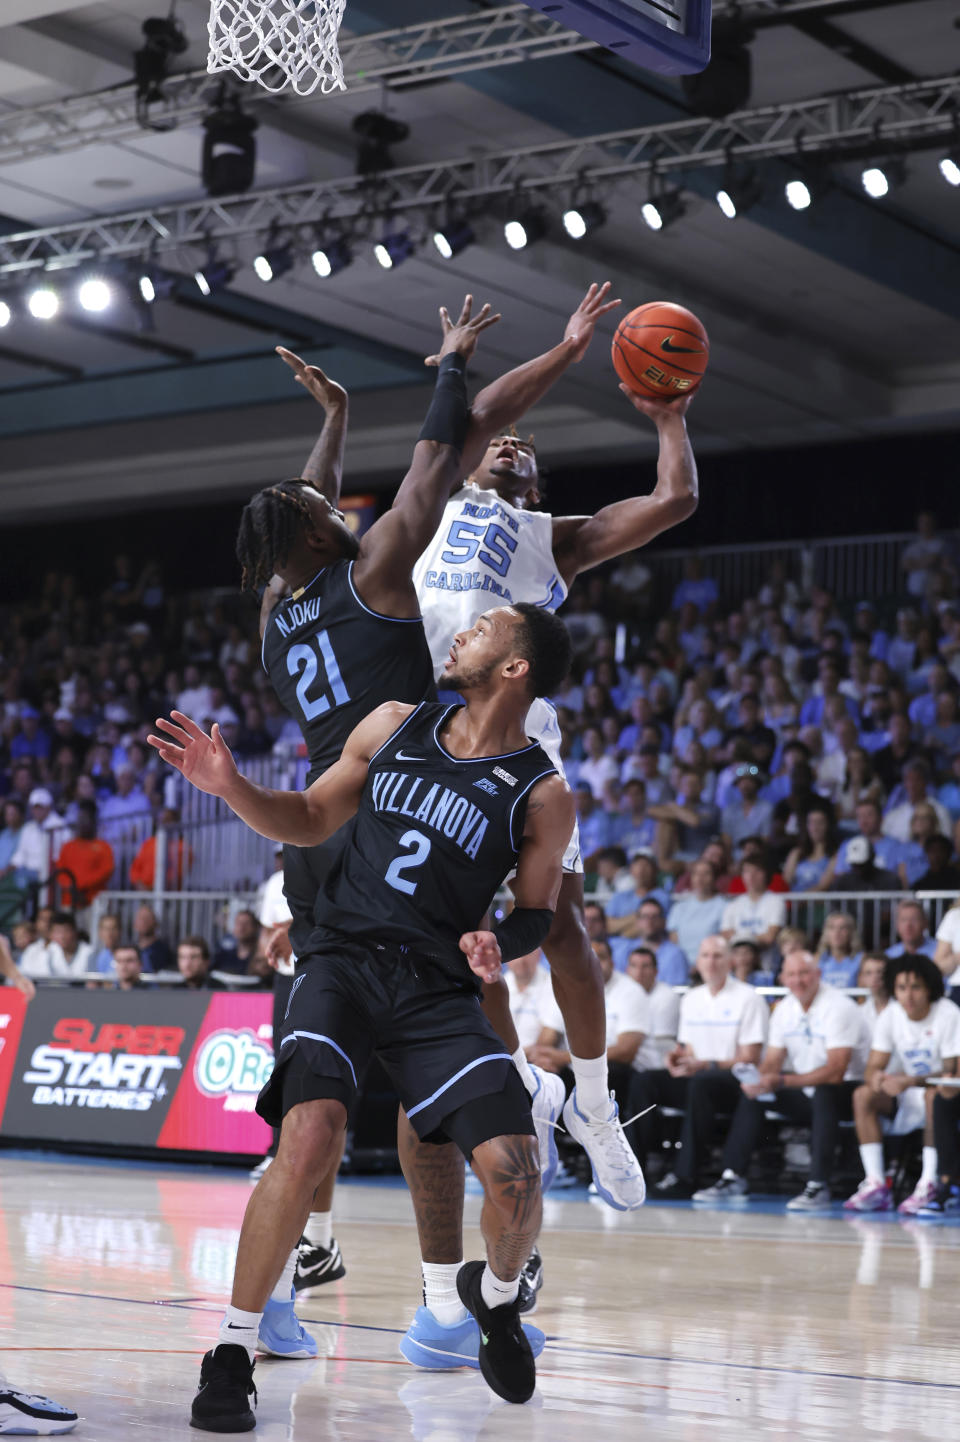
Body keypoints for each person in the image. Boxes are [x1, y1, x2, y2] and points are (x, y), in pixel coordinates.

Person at [243, 292, 606, 1345]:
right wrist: (449, 362)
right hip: (382, 815)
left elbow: (296, 517)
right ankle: (453, 1293)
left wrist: (335, 422)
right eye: (330, 505)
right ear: (325, 531)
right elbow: (446, 448)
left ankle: (282, 1287)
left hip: (313, 830)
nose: (342, 505)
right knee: (431, 1063)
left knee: (316, 1092)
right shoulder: (376, 573)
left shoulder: (277, 615)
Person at [149, 601, 578, 1423]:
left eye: (483, 630)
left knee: (519, 1172)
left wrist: (500, 937)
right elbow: (309, 818)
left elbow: (536, 910)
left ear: (516, 667)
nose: (461, 634)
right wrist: (230, 785)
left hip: (437, 989)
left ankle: (491, 1300)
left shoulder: (543, 792)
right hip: (342, 963)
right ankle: (233, 1350)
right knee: (309, 1133)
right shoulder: (392, 724)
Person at [408, 321, 698, 1212]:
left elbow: (674, 500)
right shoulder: (435, 505)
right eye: (496, 445)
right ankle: (523, 1090)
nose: (506, 444)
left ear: (540, 487)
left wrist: (671, 417)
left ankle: (598, 1104)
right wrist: (565, 353)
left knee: (562, 931)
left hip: (523, 743)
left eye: (523, 451)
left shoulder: (552, 539)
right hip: (436, 745)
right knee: (472, 954)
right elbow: (478, 411)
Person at [694, 951, 870, 1210]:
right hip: (805, 1089)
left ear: (818, 975)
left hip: (848, 1092)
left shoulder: (839, 1007)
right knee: (755, 1096)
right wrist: (759, 1080)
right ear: (782, 978)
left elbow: (836, 1071)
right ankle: (732, 1177)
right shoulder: (784, 1009)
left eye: (804, 973)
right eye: (791, 974)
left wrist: (782, 1081)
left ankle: (818, 1185)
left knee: (824, 1091)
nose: (798, 980)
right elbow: (773, 1061)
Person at [629, 935, 768, 1199]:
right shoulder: (692, 998)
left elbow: (750, 1057)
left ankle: (685, 1175)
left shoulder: (749, 998)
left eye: (717, 956)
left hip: (734, 1084)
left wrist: (706, 1064)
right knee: (645, 1080)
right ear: (698, 962)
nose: (711, 962)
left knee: (701, 1083)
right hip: (699, 1079)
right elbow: (689, 1050)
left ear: (730, 961)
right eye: (705, 956)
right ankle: (634, 1170)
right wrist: (678, 1058)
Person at [844, 956, 960, 1215]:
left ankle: (930, 1183)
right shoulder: (892, 1014)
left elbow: (952, 1072)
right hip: (905, 1092)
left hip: (944, 1094)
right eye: (901, 988)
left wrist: (911, 1081)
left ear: (929, 987)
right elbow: (874, 1065)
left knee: (934, 1095)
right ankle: (875, 1183)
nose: (908, 995)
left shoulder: (948, 1013)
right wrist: (877, 1078)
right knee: (863, 1095)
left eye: (915, 987)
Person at [534, 939, 648, 1115]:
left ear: (612, 962)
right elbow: (546, 1039)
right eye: (587, 957)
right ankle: (541, 1137)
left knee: (611, 1073)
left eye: (600, 957)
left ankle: (603, 1133)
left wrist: (564, 1057)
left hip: (614, 1069)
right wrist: (546, 1058)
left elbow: (626, 1051)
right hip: (574, 1068)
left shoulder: (631, 991)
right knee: (540, 1073)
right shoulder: (564, 987)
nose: (593, 962)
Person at [624, 947, 680, 1071]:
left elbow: (661, 1044)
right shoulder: (619, 996)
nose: (639, 972)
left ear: (655, 971)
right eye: (634, 966)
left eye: (645, 966)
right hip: (628, 1061)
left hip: (656, 1066)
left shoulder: (668, 997)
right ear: (627, 970)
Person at [719, 857, 785, 962]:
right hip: (736, 963)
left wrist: (739, 937)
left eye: (757, 870)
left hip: (767, 964)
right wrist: (755, 938)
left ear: (766, 873)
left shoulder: (776, 902)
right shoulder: (733, 904)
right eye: (747, 871)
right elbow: (725, 935)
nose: (751, 876)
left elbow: (770, 937)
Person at [52, 800, 114, 909]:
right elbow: (60, 871)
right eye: (80, 819)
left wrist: (81, 886)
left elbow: (106, 871)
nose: (82, 823)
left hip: (94, 900)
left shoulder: (103, 846)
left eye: (86, 819)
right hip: (69, 899)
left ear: (93, 822)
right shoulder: (68, 846)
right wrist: (71, 887)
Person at [608, 897, 688, 981]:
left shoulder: (675, 955)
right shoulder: (624, 950)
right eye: (644, 916)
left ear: (663, 922)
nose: (649, 921)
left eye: (654, 917)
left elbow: (676, 990)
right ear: (637, 921)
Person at [665, 858, 726, 964]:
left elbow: (723, 942)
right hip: (681, 965)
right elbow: (674, 942)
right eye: (696, 874)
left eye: (706, 874)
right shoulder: (679, 907)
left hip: (711, 964)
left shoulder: (724, 907)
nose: (700, 878)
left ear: (715, 878)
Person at [505, 951, 555, 1054]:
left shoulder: (553, 985)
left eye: (526, 953)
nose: (520, 960)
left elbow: (548, 1040)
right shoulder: (496, 985)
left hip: (533, 1064)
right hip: (504, 1060)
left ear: (539, 954)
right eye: (515, 954)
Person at [18, 911, 92, 979]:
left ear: (75, 931)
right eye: (58, 932)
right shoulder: (49, 951)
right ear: (51, 934)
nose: (62, 936)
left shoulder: (89, 952)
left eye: (66, 931)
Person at [783, 805, 839, 893]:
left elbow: (823, 886)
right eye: (811, 822)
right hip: (793, 903)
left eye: (820, 822)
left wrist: (800, 900)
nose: (815, 828)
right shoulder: (796, 853)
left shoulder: (835, 856)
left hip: (817, 904)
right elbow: (786, 882)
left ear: (828, 825)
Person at [815, 912, 864, 989]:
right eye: (832, 927)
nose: (837, 932)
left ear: (851, 932)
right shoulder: (817, 959)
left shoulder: (861, 960)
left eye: (843, 928)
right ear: (826, 933)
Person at [214, 909, 265, 977]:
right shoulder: (225, 955)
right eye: (238, 923)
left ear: (255, 927)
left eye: (246, 924)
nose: (242, 928)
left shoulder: (262, 956)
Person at [132, 904, 172, 972]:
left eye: (148, 918)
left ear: (156, 923)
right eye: (140, 918)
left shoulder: (165, 951)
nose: (144, 921)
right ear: (134, 924)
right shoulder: (130, 950)